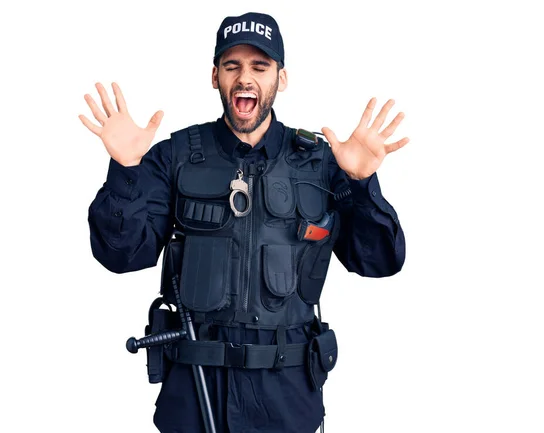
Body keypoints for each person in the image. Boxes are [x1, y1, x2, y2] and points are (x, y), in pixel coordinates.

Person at [80, 11, 408, 433]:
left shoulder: (321, 162)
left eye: (260, 66)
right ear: (215, 76)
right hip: (194, 401)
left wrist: (361, 185)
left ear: (281, 78)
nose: (245, 78)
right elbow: (122, 255)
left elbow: (380, 261)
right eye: (232, 66)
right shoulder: (175, 155)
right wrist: (125, 169)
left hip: (287, 401)